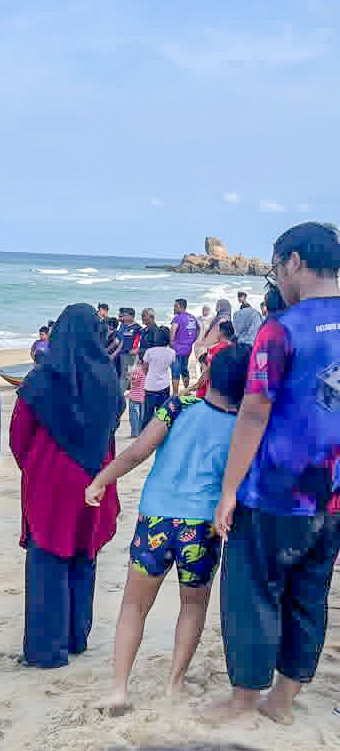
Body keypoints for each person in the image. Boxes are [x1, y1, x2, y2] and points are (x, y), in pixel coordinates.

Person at [208, 222, 340, 727]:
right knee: (311, 592)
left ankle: (244, 702)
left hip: (276, 489)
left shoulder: (281, 328)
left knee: (251, 590)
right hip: (332, 493)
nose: (277, 278)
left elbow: (253, 411)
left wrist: (228, 490)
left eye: (277, 267)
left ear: (295, 262)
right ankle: (283, 700)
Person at [85, 345, 251, 713]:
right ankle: (174, 684)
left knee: (134, 606)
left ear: (210, 374)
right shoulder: (245, 427)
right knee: (193, 605)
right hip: (203, 528)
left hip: (156, 519)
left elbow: (137, 452)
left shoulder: (178, 407)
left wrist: (101, 480)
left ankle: (119, 689)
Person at [9, 303, 123, 668]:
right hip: (95, 479)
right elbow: (111, 429)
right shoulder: (108, 380)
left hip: (50, 480)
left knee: (48, 559)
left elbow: (19, 436)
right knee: (83, 555)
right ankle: (76, 637)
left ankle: (48, 650)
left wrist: (35, 466)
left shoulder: (41, 380)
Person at [190, 321, 236, 398]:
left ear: (221, 332)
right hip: (227, 392)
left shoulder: (215, 349)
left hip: (211, 393)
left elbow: (206, 376)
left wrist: (189, 389)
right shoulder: (235, 348)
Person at [141, 327, 175, 428]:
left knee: (147, 415)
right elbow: (172, 368)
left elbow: (144, 368)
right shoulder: (172, 352)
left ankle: (144, 435)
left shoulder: (149, 351)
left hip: (150, 386)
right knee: (162, 415)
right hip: (164, 385)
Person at [170, 298, 200, 395]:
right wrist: (192, 340)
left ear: (180, 306)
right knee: (184, 369)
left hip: (177, 349)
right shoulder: (192, 318)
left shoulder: (177, 318)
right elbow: (198, 330)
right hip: (187, 348)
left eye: (175, 306)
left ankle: (175, 394)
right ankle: (186, 391)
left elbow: (173, 330)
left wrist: (171, 342)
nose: (174, 308)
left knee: (175, 371)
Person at [113, 308, 143, 392]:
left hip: (130, 356)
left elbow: (139, 342)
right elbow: (122, 341)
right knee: (124, 375)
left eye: (125, 315)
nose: (124, 317)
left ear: (131, 316)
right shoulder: (125, 326)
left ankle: (121, 393)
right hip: (122, 354)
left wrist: (135, 352)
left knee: (126, 375)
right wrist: (115, 352)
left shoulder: (137, 328)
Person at [126, 360, 145, 438]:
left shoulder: (136, 370)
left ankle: (135, 433)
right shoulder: (147, 370)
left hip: (134, 396)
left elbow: (135, 382)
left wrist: (129, 377)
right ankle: (141, 432)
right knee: (142, 416)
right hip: (143, 396)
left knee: (133, 416)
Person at [193, 305, 214, 378]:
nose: (204, 311)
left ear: (209, 310)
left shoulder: (213, 319)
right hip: (198, 343)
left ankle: (207, 377)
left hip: (209, 344)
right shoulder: (197, 319)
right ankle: (199, 378)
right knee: (198, 361)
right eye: (203, 310)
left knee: (207, 361)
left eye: (206, 310)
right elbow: (194, 331)